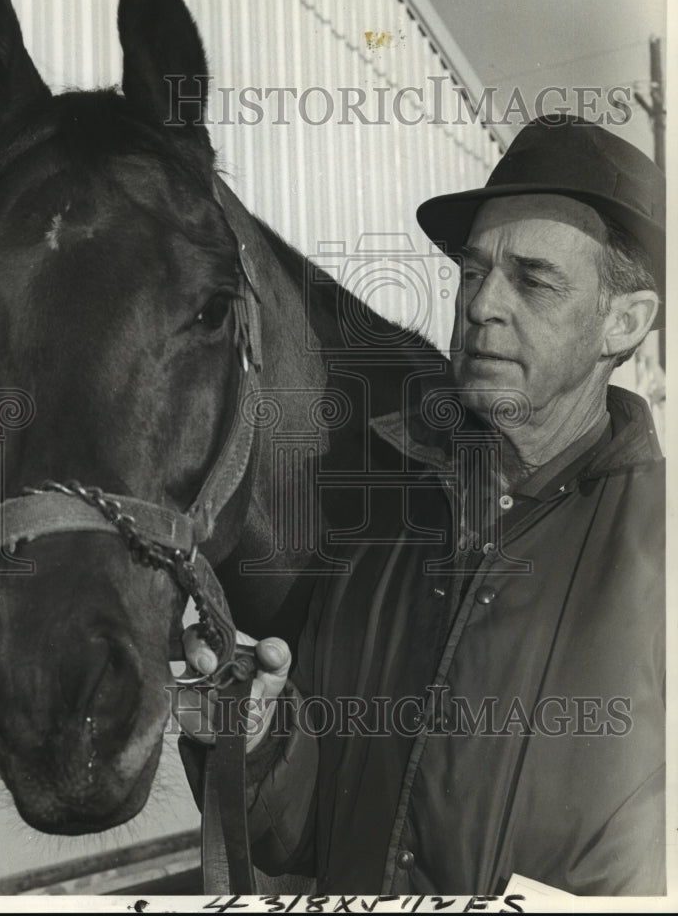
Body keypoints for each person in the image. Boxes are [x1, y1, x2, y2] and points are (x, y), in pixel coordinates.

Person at [174, 115, 666, 896]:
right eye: (474, 273)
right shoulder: (379, 521)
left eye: (533, 280)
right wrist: (261, 741)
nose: (481, 306)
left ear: (626, 323)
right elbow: (300, 836)